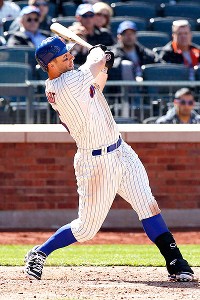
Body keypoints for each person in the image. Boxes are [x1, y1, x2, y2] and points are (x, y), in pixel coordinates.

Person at [24, 35, 194, 283]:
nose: (70, 57)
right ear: (50, 65)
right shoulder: (63, 84)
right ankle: (40, 252)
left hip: (120, 150)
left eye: (69, 53)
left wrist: (104, 67)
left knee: (147, 204)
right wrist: (98, 52)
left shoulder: (74, 81)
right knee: (86, 228)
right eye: (64, 57)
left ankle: (175, 261)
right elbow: (94, 59)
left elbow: (95, 88)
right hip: (95, 163)